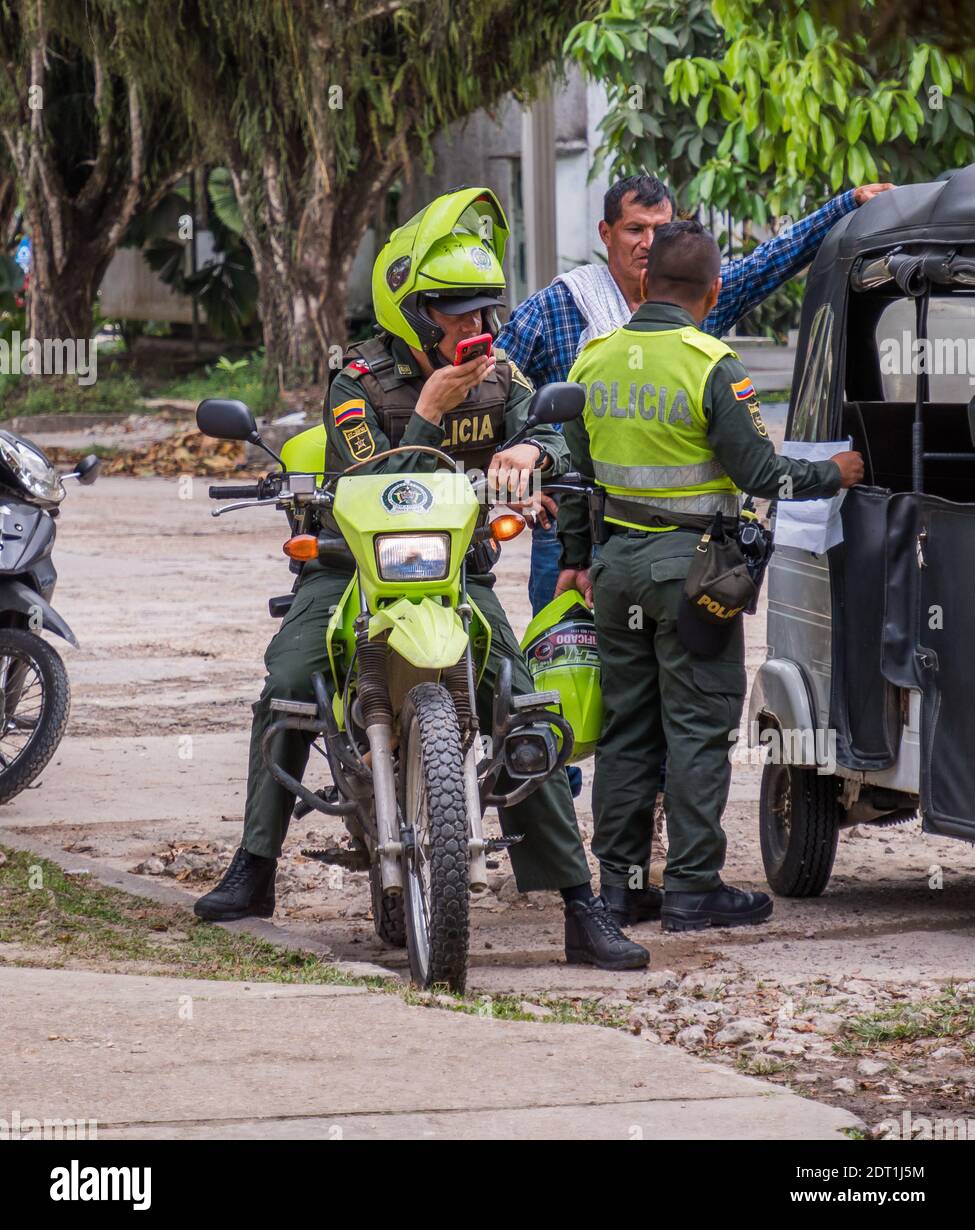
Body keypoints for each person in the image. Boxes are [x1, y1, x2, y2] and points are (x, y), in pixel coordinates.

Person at [195, 187, 649, 972]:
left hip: (452, 577)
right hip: (349, 572)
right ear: (413, 312)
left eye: (483, 313)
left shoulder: (500, 375)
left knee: (520, 698)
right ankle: (255, 867)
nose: (477, 329)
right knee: (289, 682)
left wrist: (533, 454)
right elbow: (373, 481)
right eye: (457, 314)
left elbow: (554, 429)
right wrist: (433, 415)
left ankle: (581, 907)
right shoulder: (358, 381)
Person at [555, 220, 864, 932]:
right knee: (694, 728)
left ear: (643, 282)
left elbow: (572, 477)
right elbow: (761, 473)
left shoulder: (593, 358)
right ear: (713, 290)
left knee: (627, 731)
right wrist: (834, 470)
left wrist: (577, 558)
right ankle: (693, 887)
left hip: (618, 570)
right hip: (694, 575)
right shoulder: (710, 364)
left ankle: (621, 889)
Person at [496, 174, 892, 616]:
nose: (648, 243)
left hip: (678, 537)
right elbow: (490, 388)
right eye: (634, 229)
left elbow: (770, 261)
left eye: (659, 231)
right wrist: (524, 471)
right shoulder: (558, 307)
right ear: (605, 233)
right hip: (572, 529)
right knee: (565, 667)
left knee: (643, 672)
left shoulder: (694, 295)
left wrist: (845, 206)